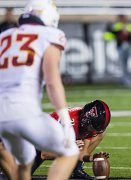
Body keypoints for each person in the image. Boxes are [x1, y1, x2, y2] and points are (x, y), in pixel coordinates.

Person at [0, 0, 79, 179]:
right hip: (24, 111)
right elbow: (52, 81)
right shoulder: (50, 34)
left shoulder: (5, 35)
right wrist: (66, 120)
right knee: (70, 151)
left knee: (24, 161)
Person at [31, 100, 111, 179]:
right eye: (93, 127)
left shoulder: (86, 123)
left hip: (56, 142)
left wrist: (92, 158)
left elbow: (83, 153)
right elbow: (45, 154)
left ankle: (76, 170)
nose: (94, 132)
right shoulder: (67, 122)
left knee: (100, 134)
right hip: (33, 143)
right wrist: (71, 148)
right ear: (85, 120)